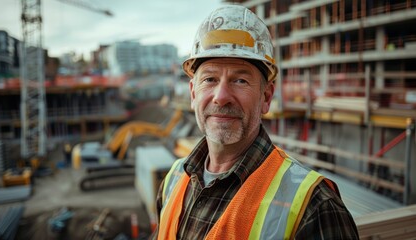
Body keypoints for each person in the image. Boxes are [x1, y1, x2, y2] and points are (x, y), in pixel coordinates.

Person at [151, 5, 359, 240]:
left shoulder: (315, 207)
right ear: (193, 94)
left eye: (240, 80)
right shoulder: (173, 179)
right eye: (209, 79)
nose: (221, 96)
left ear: (266, 97)